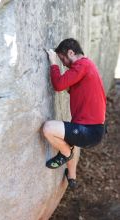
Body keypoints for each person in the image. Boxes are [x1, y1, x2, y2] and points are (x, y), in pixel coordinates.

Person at [42, 38, 106, 189]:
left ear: (71, 52)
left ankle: (65, 153)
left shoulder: (82, 65)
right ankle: (72, 177)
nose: (63, 63)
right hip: (94, 130)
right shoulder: (88, 66)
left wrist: (53, 63)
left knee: (48, 128)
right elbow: (71, 88)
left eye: (63, 58)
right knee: (70, 136)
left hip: (89, 131)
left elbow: (58, 85)